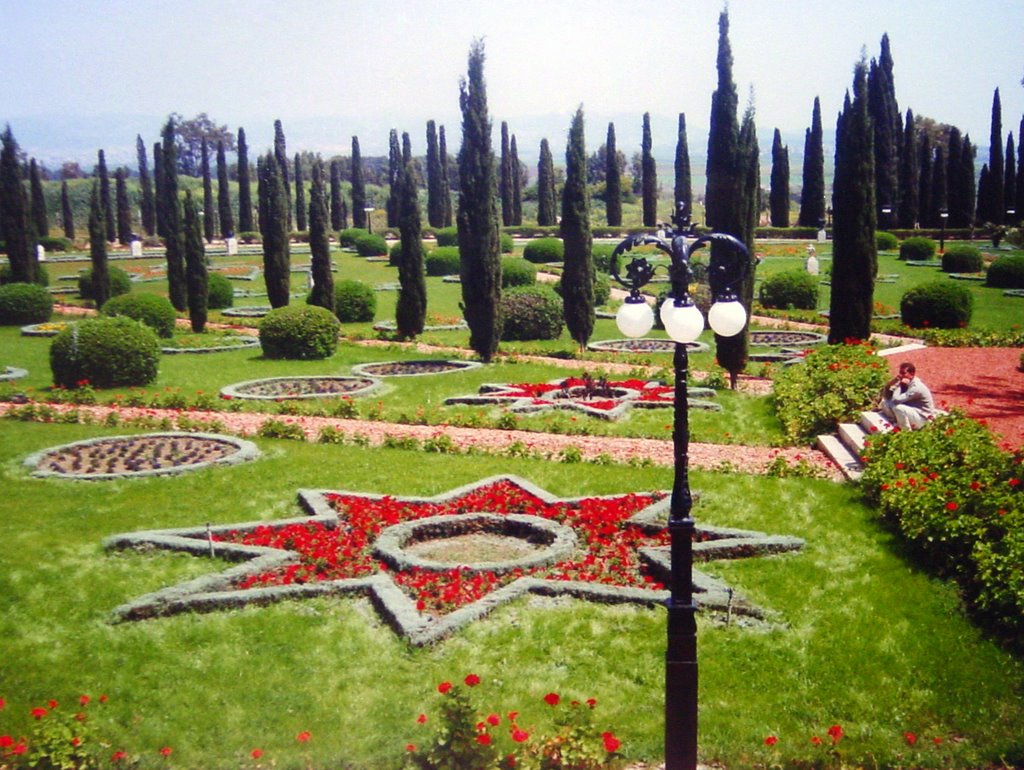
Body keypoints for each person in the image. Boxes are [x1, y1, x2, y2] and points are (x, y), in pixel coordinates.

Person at [879, 362, 935, 430]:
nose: (900, 376)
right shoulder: (906, 383)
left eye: (903, 373)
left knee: (898, 407)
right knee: (885, 403)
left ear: (912, 374)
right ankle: (895, 422)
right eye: (900, 373)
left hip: (923, 419)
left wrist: (898, 385)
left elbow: (896, 400)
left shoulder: (916, 387)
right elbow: (886, 396)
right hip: (913, 413)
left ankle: (906, 431)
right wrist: (891, 383)